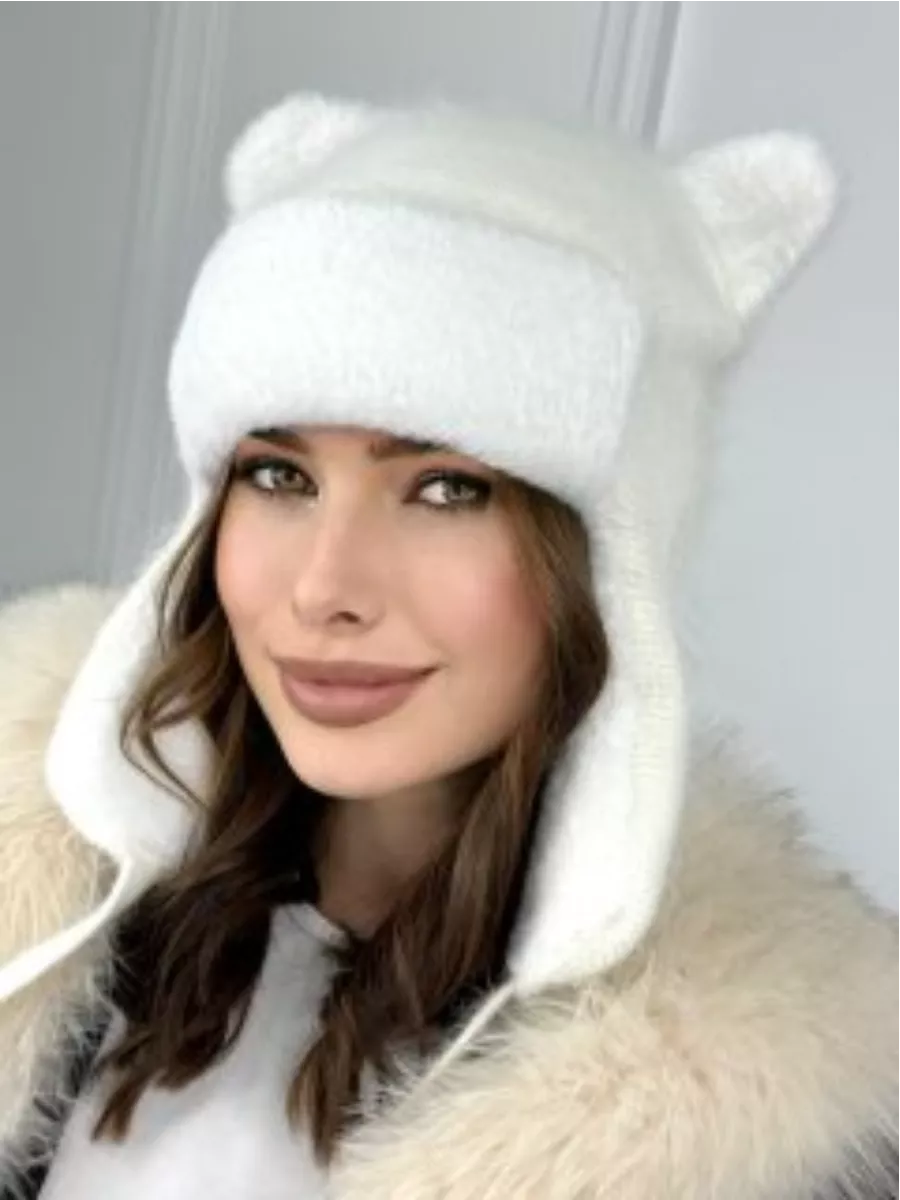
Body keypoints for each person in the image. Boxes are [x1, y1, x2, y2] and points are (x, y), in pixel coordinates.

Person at [0, 93, 897, 1200]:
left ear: (605, 562)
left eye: (445, 489)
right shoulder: (55, 906)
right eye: (278, 474)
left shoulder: (779, 1135)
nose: (325, 588)